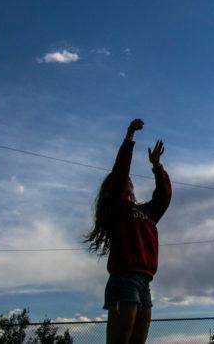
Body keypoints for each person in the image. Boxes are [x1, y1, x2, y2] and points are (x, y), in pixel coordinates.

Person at [84, 119, 171, 344]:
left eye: (130, 183)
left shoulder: (146, 213)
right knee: (121, 338)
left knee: (137, 340)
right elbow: (120, 172)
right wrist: (130, 136)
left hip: (145, 281)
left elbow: (164, 197)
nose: (129, 185)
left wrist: (157, 167)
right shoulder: (116, 209)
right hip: (125, 279)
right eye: (125, 183)